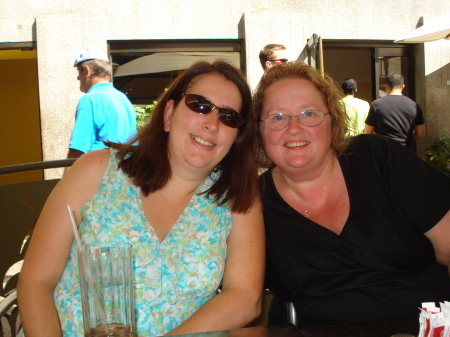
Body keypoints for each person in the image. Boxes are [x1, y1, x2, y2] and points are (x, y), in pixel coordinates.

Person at [17, 61, 265, 337]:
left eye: (229, 117)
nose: (212, 124)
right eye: (200, 105)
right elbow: (36, 280)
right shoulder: (96, 170)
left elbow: (245, 296)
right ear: (169, 114)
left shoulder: (238, 197)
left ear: (237, 136)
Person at [253, 62, 450, 331]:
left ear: (332, 119)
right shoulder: (252, 203)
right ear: (259, 131)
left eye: (309, 113)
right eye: (277, 117)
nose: (294, 127)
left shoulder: (379, 158)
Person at [68, 47, 137, 159]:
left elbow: (78, 150)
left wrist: (68, 175)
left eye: (78, 72)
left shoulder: (90, 100)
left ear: (86, 71)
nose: (77, 78)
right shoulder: (123, 99)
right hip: (126, 170)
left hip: (100, 170)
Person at [364, 72, 425, 150]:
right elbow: (420, 134)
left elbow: (367, 132)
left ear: (386, 86)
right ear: (403, 87)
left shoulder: (376, 104)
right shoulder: (415, 106)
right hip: (406, 151)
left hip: (384, 152)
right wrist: (407, 140)